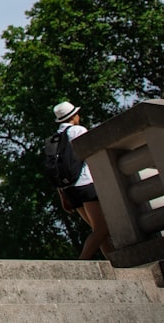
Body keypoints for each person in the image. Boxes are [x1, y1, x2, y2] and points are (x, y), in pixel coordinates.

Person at [52, 101, 113, 260]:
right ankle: (81, 263)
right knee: (102, 228)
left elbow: (55, 169)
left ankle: (115, 263)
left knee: (97, 230)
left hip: (69, 190)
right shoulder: (78, 130)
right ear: (73, 116)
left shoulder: (53, 139)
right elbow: (92, 152)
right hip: (85, 183)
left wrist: (62, 196)